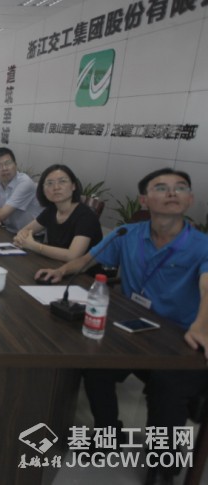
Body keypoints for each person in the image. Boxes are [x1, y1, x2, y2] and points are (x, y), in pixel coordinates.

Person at [36, 168, 208, 484]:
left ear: (190, 199)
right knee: (93, 361)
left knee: (167, 387)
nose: (172, 192)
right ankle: (108, 433)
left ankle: (164, 467)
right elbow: (87, 259)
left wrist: (201, 326)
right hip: (131, 327)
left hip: (179, 339)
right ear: (144, 200)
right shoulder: (127, 234)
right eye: (161, 187)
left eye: (180, 187)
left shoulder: (202, 245)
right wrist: (62, 271)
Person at [12, 164, 103, 261]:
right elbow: (25, 231)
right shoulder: (52, 210)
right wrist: (21, 237)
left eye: (62, 181)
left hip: (84, 270)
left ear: (73, 186)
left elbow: (73, 256)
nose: (56, 187)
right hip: (55, 264)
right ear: (43, 190)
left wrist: (35, 246)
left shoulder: (86, 217)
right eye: (50, 183)